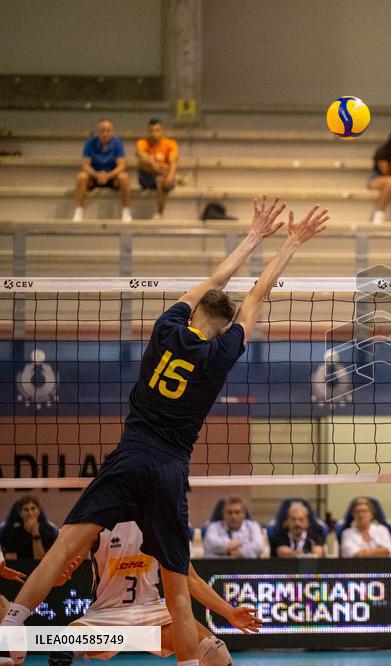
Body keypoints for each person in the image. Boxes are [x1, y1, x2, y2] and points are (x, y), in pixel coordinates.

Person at [0, 196, 328, 666]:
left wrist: (254, 235)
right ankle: (188, 662)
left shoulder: (166, 327)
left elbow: (215, 281)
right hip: (169, 468)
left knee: (64, 545)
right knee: (177, 590)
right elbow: (257, 295)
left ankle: (12, 627)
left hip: (130, 455)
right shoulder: (220, 354)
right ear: (223, 330)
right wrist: (292, 242)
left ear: (192, 317)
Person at [37, 520, 260, 665]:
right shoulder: (98, 522)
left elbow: (190, 578)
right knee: (61, 650)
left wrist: (229, 612)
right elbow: (57, 575)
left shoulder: (162, 524)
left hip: (152, 614)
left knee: (215, 652)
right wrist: (59, 577)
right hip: (106, 615)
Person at [73, 118, 131, 222]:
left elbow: (122, 165)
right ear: (98, 131)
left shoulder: (117, 142)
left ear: (112, 131)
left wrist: (108, 176)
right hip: (94, 176)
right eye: (102, 131)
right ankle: (78, 211)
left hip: (111, 177)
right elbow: (85, 165)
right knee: (81, 176)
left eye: (108, 131)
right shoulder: (90, 142)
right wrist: (96, 175)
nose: (105, 134)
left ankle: (126, 211)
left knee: (124, 177)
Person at [136, 118, 179, 220]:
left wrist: (169, 177)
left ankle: (160, 213)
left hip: (164, 177)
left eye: (157, 130)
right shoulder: (142, 142)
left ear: (162, 130)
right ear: (148, 131)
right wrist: (157, 166)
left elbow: (173, 162)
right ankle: (176, 178)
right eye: (151, 131)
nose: (154, 134)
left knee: (161, 179)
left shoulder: (171, 143)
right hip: (147, 176)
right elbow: (141, 156)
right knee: (141, 163)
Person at [1, 496, 58, 561]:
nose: (30, 513)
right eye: (26, 510)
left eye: (33, 509)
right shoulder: (11, 533)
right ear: (20, 513)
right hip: (19, 567)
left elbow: (41, 561)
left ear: (39, 511)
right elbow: (11, 562)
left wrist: (35, 533)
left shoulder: (49, 532)